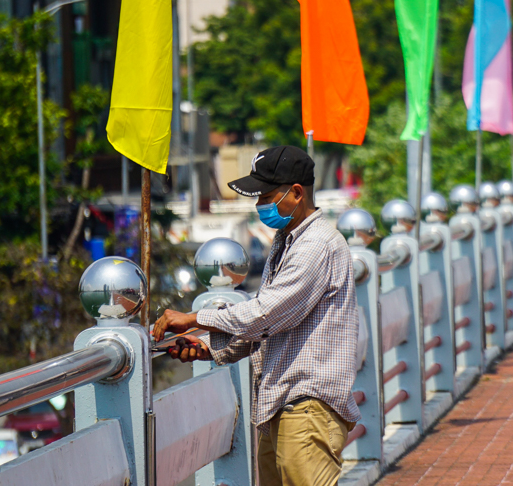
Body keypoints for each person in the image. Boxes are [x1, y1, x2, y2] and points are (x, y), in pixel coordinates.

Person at [151, 146, 360, 486]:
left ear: (296, 193)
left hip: (307, 404)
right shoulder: (288, 241)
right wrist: (210, 348)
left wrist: (193, 318)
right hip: (284, 403)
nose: (260, 205)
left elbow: (266, 312)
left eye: (266, 195)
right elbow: (271, 326)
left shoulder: (316, 244)